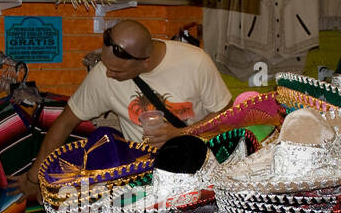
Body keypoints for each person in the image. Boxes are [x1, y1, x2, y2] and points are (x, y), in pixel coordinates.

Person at [17, 19, 231, 201]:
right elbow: (65, 123)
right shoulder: (104, 74)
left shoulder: (195, 62)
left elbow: (228, 116)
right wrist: (35, 177)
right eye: (106, 65)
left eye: (116, 70)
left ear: (145, 63)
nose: (109, 74)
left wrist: (179, 134)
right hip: (142, 179)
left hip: (196, 171)